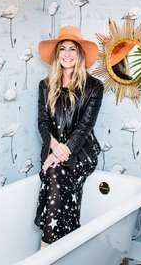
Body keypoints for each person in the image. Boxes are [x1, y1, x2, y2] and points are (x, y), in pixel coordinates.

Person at [34, 26, 104, 248]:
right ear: (56, 54)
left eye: (72, 49)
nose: (67, 54)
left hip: (82, 152)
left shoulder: (94, 86)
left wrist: (64, 151)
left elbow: (84, 127)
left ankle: (46, 246)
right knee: (56, 172)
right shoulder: (45, 85)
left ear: (80, 53)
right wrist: (55, 148)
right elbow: (43, 123)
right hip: (53, 151)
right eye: (62, 49)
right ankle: (66, 245)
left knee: (55, 172)